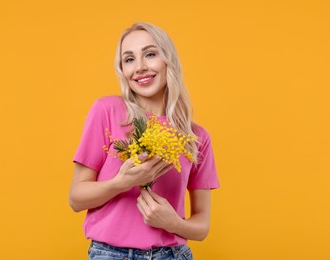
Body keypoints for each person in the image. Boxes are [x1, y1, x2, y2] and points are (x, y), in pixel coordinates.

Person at [69, 22, 220, 260]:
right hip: (110, 255)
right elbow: (76, 199)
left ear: (168, 60)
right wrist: (121, 182)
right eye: (129, 59)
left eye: (150, 54)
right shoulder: (107, 111)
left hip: (173, 255)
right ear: (122, 70)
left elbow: (202, 227)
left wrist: (173, 223)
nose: (139, 67)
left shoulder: (196, 137)